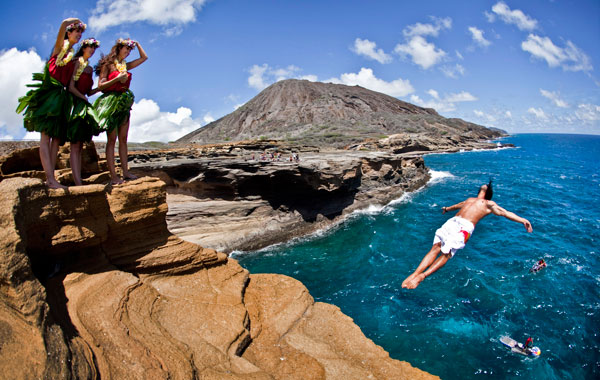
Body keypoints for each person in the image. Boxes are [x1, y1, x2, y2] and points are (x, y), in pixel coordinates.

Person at [402, 181, 533, 289]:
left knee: (446, 254)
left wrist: (523, 220)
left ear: (487, 193)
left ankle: (422, 276)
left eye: (486, 186)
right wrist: (447, 209)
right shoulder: (470, 199)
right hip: (452, 222)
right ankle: (415, 274)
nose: (485, 185)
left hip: (464, 228)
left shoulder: (488, 204)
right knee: (435, 248)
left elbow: (505, 212)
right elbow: (458, 205)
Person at [17, 18, 85, 189]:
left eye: (81, 32)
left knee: (56, 140)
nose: (79, 34)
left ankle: (52, 178)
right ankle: (50, 178)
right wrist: (68, 21)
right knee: (45, 137)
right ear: (68, 33)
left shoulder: (74, 59)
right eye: (76, 31)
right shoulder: (58, 50)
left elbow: (70, 83)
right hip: (50, 96)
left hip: (61, 98)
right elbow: (61, 29)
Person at [94, 38, 148, 185]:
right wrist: (117, 79)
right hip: (111, 103)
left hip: (123, 104)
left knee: (123, 139)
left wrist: (137, 44)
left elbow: (144, 58)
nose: (129, 52)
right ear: (119, 48)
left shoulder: (125, 65)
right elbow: (101, 86)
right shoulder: (108, 65)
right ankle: (113, 176)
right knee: (112, 140)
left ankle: (125, 171)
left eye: (130, 50)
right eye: (127, 49)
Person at [67, 38, 102, 186]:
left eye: (94, 48)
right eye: (90, 47)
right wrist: (83, 99)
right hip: (74, 105)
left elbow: (88, 92)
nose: (92, 50)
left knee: (80, 145)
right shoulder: (76, 62)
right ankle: (77, 181)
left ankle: (78, 178)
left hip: (83, 105)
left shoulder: (88, 67)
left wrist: (101, 88)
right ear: (83, 48)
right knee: (75, 145)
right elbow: (71, 87)